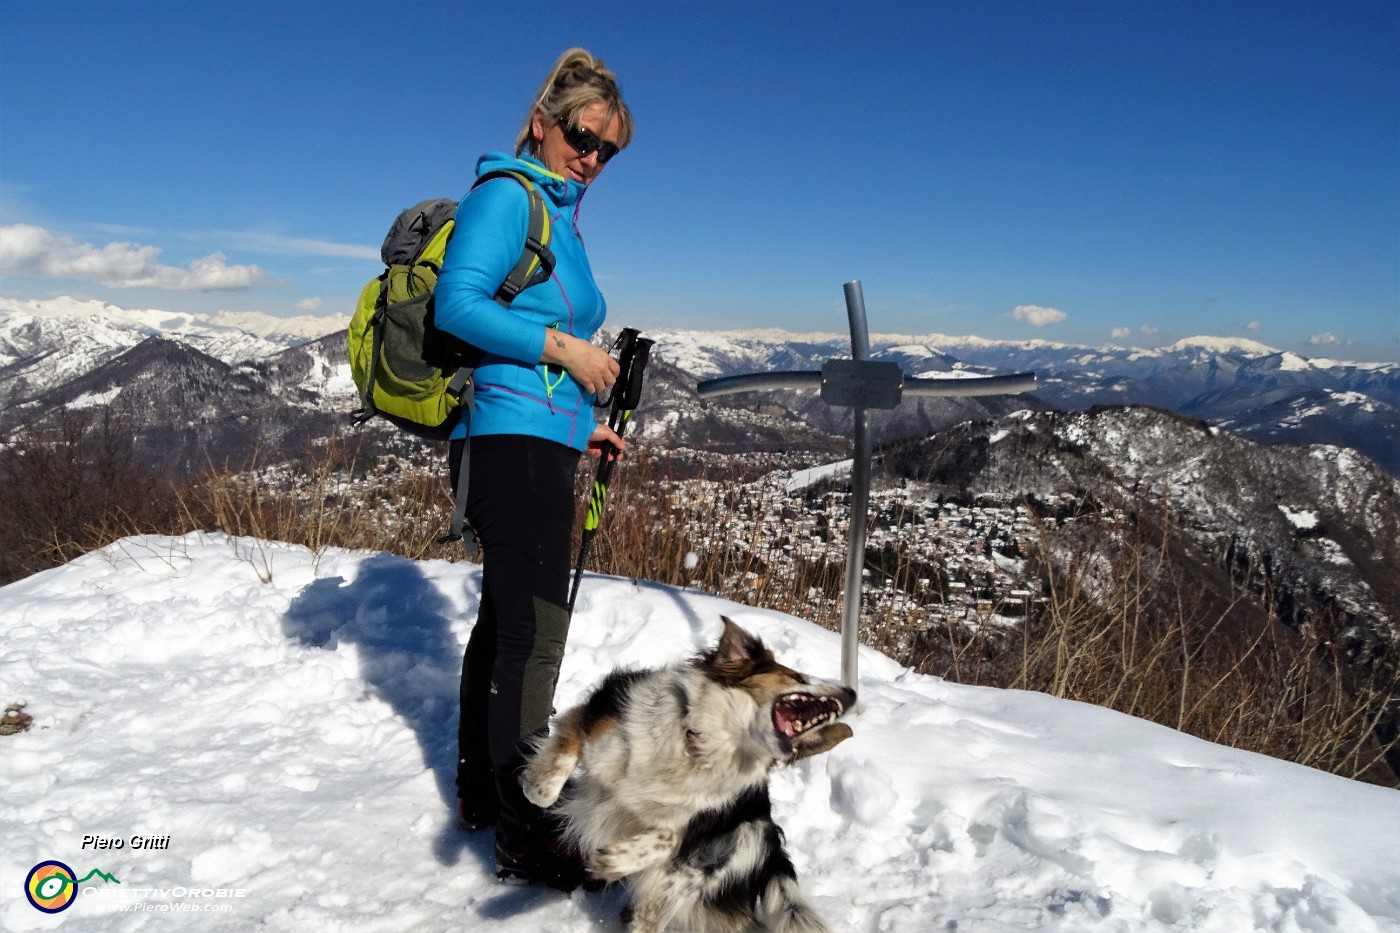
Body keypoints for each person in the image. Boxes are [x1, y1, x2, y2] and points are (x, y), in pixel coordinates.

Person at [431, 48, 634, 888]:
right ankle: (529, 824)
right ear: (544, 124)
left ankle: (484, 789)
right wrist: (568, 353)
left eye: (609, 150)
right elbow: (458, 303)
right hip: (505, 442)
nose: (592, 158)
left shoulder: (560, 212)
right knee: (535, 633)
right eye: (584, 137)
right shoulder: (506, 196)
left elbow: (538, 351)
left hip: (539, 438)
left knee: (509, 625)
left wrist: (581, 424)